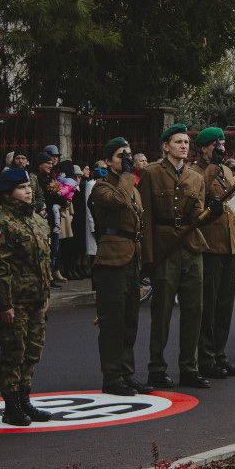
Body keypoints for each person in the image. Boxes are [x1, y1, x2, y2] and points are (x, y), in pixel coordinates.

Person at [138, 124, 213, 389]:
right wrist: (147, 257)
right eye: (178, 142)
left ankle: (189, 368)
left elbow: (197, 215)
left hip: (190, 247)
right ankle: (157, 368)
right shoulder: (151, 173)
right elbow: (145, 218)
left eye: (186, 142)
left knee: (194, 309)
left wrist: (210, 213)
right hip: (163, 247)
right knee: (162, 311)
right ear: (165, 146)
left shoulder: (196, 177)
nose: (184, 146)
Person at [0, 168, 53, 426]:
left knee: (32, 351)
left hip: (36, 298)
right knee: (13, 353)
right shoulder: (1, 222)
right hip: (16, 301)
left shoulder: (36, 219)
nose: (28, 191)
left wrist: (45, 292)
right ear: (7, 193)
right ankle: (11, 405)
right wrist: (4, 304)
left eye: (29, 187)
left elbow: (45, 260)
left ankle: (25, 399)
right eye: (22, 187)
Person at [89, 138, 150, 396]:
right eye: (119, 156)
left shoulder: (133, 188)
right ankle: (112, 378)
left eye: (128, 155)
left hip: (132, 259)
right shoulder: (100, 188)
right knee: (112, 323)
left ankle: (127, 374)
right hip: (111, 261)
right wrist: (127, 172)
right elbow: (119, 202)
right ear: (107, 162)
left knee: (129, 322)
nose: (126, 159)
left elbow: (140, 222)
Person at [192, 128, 235, 379]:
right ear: (203, 148)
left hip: (230, 244)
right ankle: (206, 359)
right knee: (210, 305)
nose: (221, 149)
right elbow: (199, 194)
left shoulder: (225, 170)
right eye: (216, 145)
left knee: (225, 306)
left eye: (223, 144)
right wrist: (213, 165)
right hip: (211, 245)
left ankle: (220, 355)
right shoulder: (195, 171)